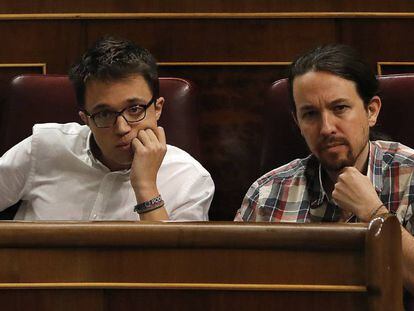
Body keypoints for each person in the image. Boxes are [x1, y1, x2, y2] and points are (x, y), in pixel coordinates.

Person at [235, 44, 414, 292]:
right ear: (297, 121)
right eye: (310, 114)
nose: (327, 127)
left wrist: (375, 213)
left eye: (339, 108)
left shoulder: (410, 175)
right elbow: (237, 287)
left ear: (371, 111)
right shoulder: (267, 194)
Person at [0, 36, 214, 221]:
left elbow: (174, 266)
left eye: (135, 109)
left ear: (157, 109)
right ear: (86, 119)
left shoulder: (189, 179)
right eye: (104, 114)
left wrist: (146, 187)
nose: (122, 128)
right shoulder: (43, 148)